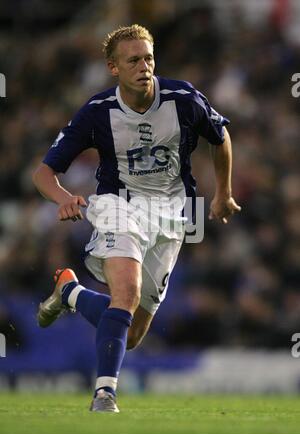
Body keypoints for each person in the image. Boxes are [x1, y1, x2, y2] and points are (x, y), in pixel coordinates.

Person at [32, 24, 241, 413]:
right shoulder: (97, 112)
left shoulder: (182, 98)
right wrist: (62, 199)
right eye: (133, 60)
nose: (144, 67)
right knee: (124, 295)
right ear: (113, 68)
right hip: (118, 205)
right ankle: (105, 394)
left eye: (148, 58)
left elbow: (220, 137)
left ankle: (69, 293)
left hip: (173, 213)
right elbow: (44, 172)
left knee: (130, 335)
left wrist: (224, 193)